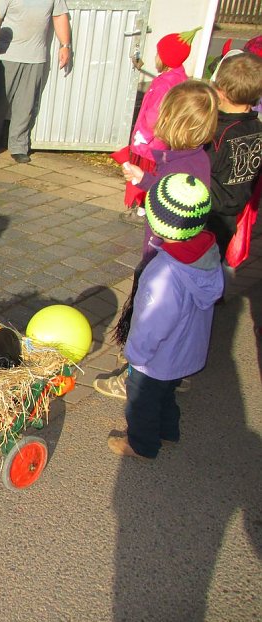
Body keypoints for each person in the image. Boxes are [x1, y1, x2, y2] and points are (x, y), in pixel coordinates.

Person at [97, 80, 218, 401]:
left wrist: (151, 182)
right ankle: (177, 372)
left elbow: (169, 199)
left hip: (162, 253)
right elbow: (175, 196)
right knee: (181, 317)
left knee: (152, 314)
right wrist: (146, 179)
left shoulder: (180, 165)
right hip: (184, 251)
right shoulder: (196, 159)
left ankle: (136, 375)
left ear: (170, 122)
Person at [107, 173, 224, 459]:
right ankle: (169, 432)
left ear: (158, 221)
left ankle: (142, 445)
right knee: (166, 394)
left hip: (157, 358)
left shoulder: (163, 272)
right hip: (185, 351)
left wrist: (135, 354)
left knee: (142, 401)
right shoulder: (206, 253)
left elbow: (152, 324)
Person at [119, 27, 201, 215]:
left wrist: (143, 135)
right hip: (164, 142)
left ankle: (143, 207)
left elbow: (154, 114)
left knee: (143, 174)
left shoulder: (164, 84)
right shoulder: (180, 79)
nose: (156, 56)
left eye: (158, 53)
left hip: (150, 143)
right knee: (157, 173)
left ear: (165, 58)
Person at [0, 0, 72, 164]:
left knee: (26, 106)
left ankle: (18, 147)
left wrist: (65, 45)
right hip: (7, 56)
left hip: (36, 58)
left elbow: (60, 16)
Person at [204, 52, 262, 260]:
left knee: (197, 263)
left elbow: (200, 170)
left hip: (208, 213)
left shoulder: (217, 133)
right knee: (215, 260)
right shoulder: (258, 128)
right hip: (234, 212)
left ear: (220, 92)